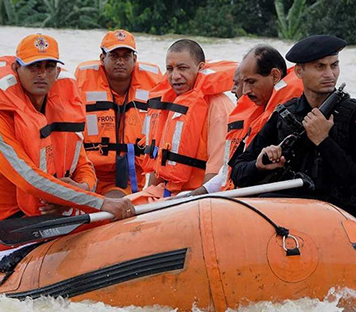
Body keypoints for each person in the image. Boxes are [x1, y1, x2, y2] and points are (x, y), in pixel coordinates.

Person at [0, 34, 135, 254]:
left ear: (58, 72)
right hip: (7, 229)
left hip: (53, 216)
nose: (42, 74)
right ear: (17, 69)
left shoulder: (61, 112)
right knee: (108, 215)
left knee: (126, 227)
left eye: (49, 67)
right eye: (34, 67)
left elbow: (84, 167)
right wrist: (99, 202)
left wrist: (79, 190)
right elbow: (29, 179)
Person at [229, 35, 356, 223]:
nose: (330, 74)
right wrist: (259, 165)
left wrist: (324, 142)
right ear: (299, 71)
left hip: (340, 219)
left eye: (334, 65)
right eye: (320, 67)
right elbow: (237, 171)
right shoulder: (284, 114)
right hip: (288, 217)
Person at [187, 44, 303, 196]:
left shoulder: (292, 116)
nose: (245, 91)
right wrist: (201, 193)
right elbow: (232, 168)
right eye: (243, 83)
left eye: (251, 82)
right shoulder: (257, 114)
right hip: (233, 196)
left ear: (275, 76)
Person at [142, 39, 236, 197]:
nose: (175, 76)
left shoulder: (218, 107)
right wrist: (146, 193)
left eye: (182, 68)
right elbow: (160, 162)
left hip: (195, 197)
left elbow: (216, 171)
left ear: (200, 68)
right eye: (170, 69)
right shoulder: (172, 102)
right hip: (166, 193)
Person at [75, 30, 162, 197]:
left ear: (134, 60)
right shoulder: (81, 84)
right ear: (102, 59)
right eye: (114, 56)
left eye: (126, 56)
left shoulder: (154, 85)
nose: (120, 61)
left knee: (117, 200)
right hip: (89, 173)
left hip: (131, 178)